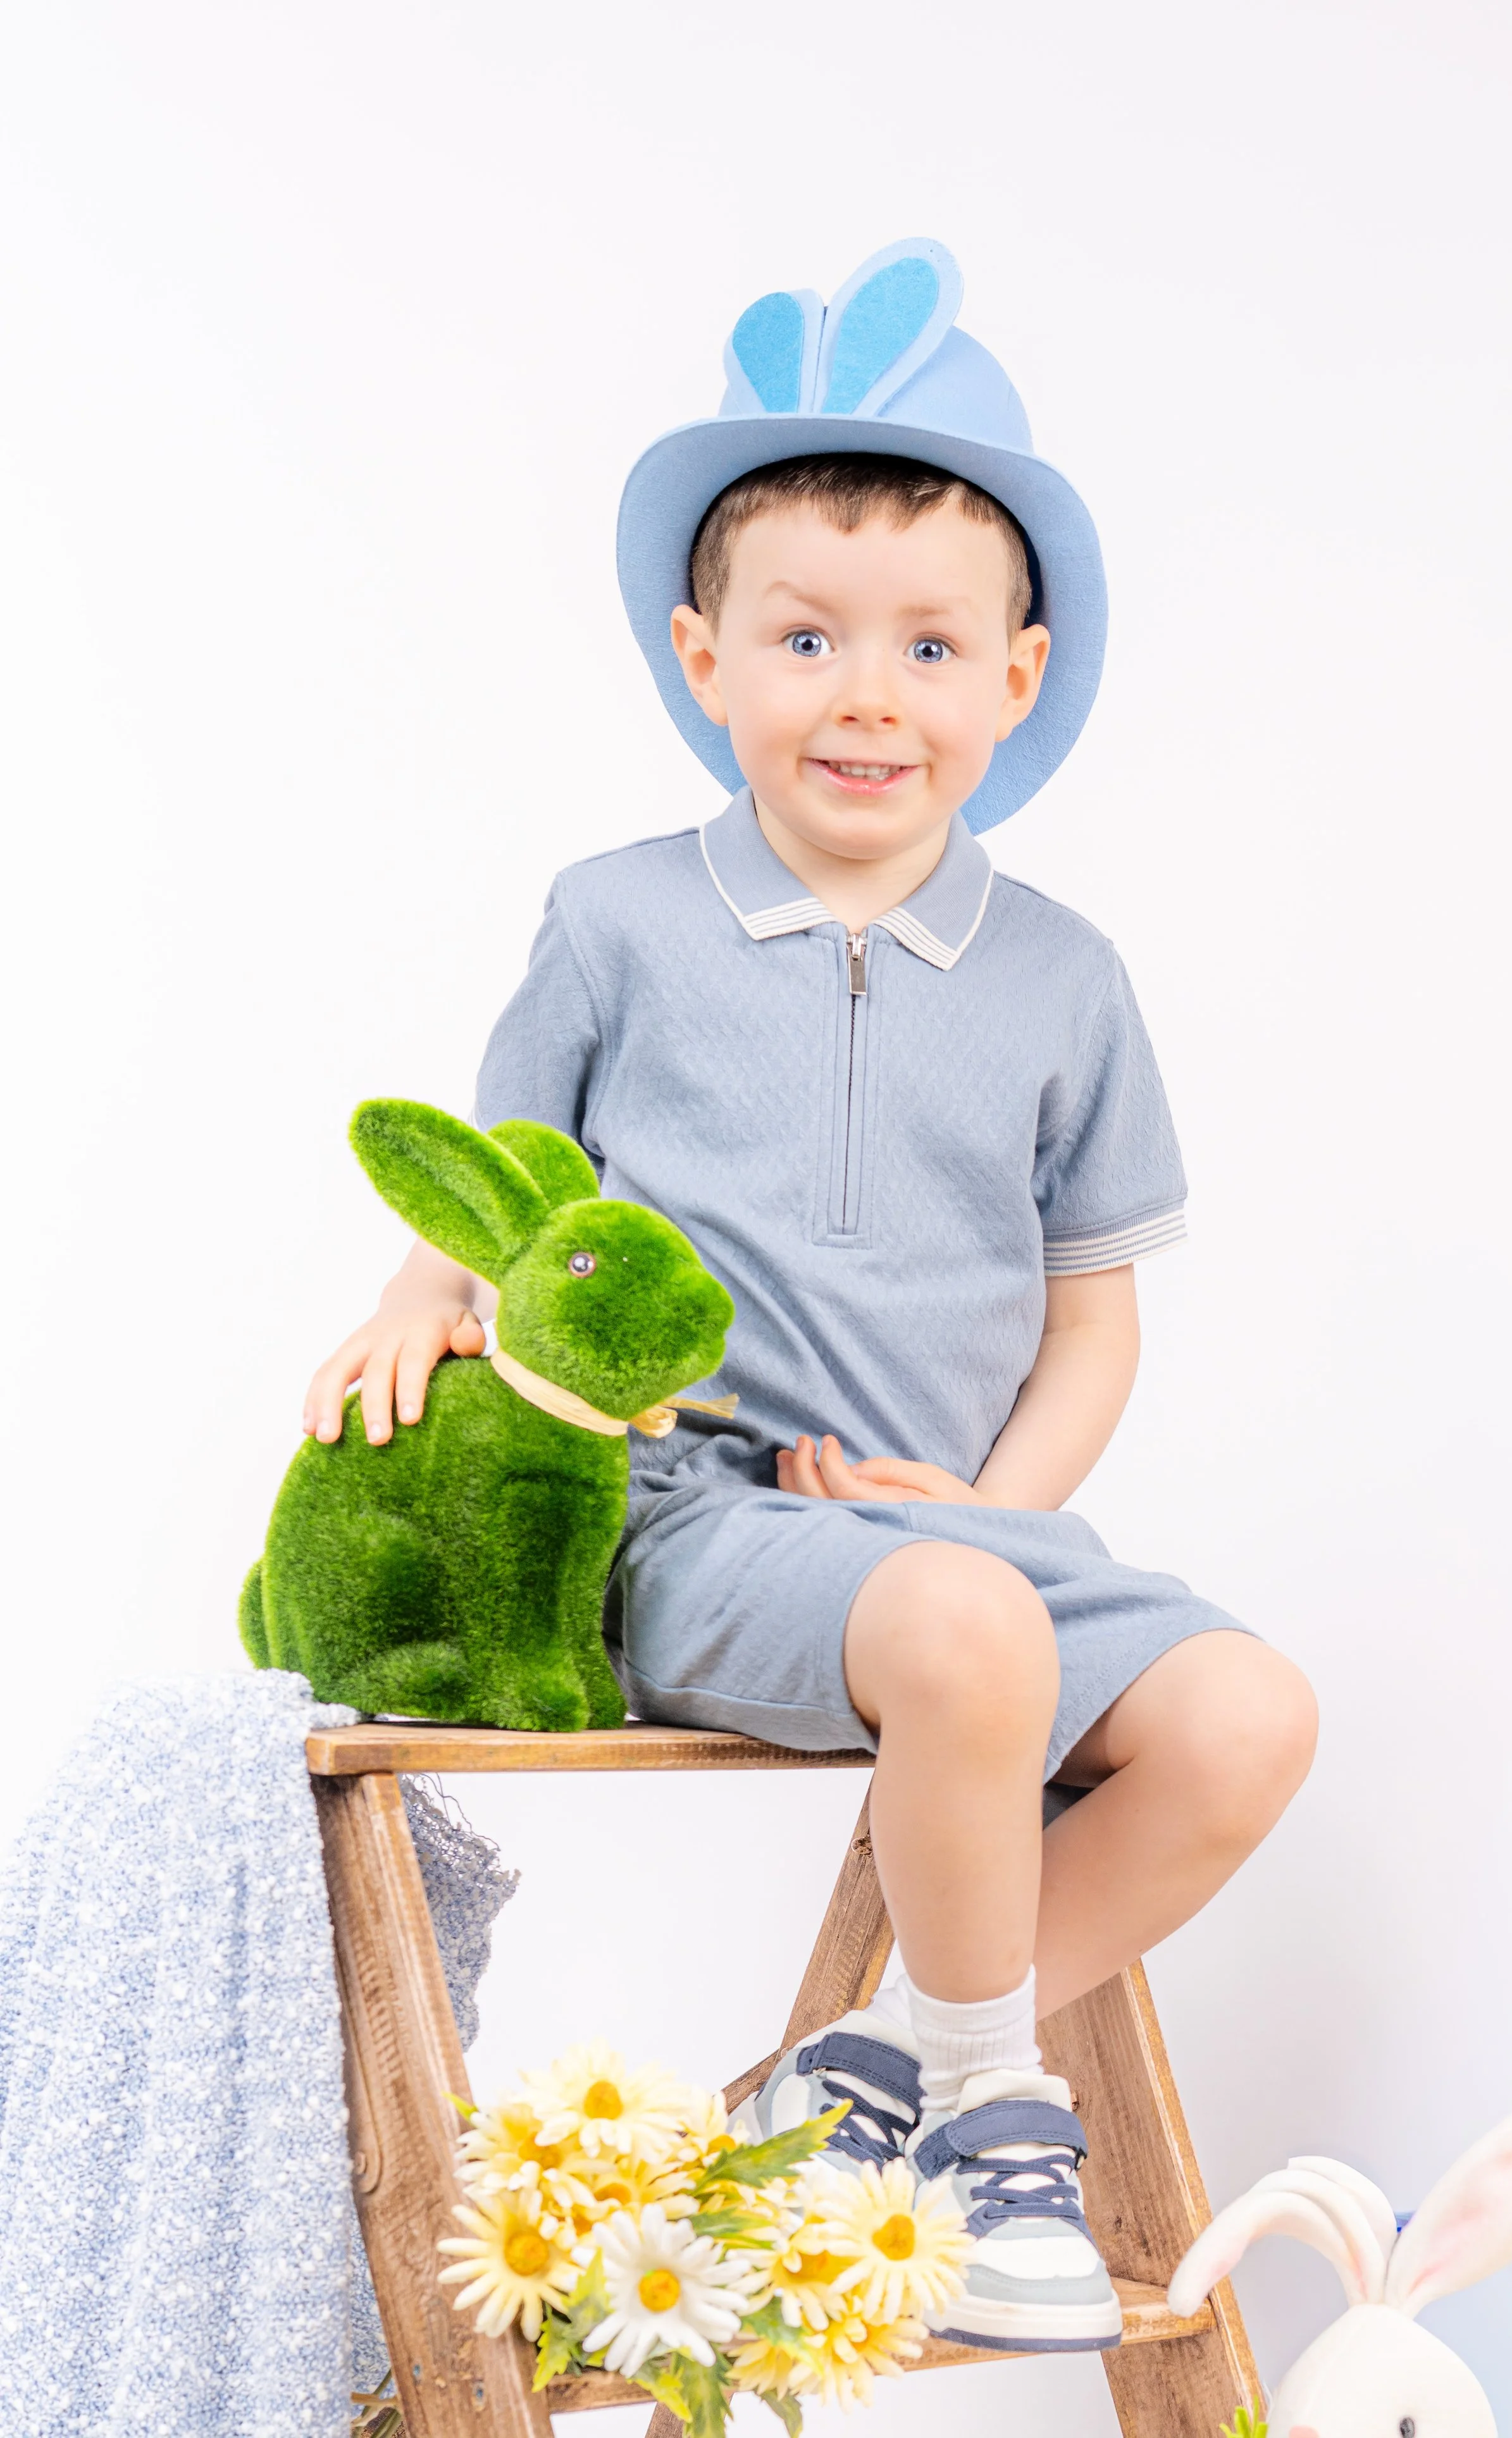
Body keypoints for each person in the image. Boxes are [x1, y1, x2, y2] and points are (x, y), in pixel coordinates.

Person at [303, 240, 1318, 2353]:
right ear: (703, 658)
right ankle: (992, 2112)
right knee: (966, 1631)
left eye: (929, 644)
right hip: (692, 1519)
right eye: (803, 637)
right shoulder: (616, 922)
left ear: (1013, 681)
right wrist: (415, 1296)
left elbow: (1091, 1314)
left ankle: (876, 2065)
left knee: (1242, 1713)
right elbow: (512, 1188)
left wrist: (982, 1502)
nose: (867, 692)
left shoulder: (1065, 979)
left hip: (950, 1532)